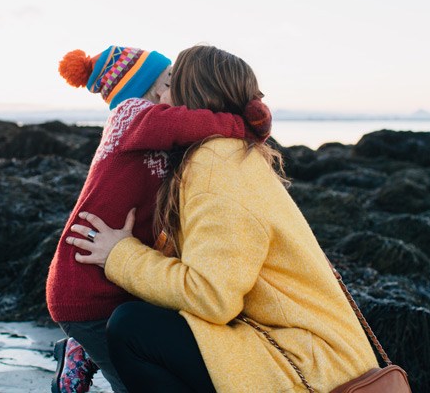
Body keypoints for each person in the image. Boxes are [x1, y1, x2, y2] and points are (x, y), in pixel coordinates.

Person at [66, 45, 379, 393]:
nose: (161, 97)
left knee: (132, 328)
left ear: (190, 95)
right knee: (155, 312)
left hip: (311, 365)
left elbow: (212, 297)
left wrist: (120, 254)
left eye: (171, 85)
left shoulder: (216, 164)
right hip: (315, 348)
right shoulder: (236, 154)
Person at [47, 45, 271, 393]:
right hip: (85, 289)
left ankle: (81, 348)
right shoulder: (128, 115)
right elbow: (185, 122)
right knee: (131, 384)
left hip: (121, 281)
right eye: (170, 80)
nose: (177, 90)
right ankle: (80, 351)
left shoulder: (158, 135)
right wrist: (242, 125)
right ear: (151, 88)